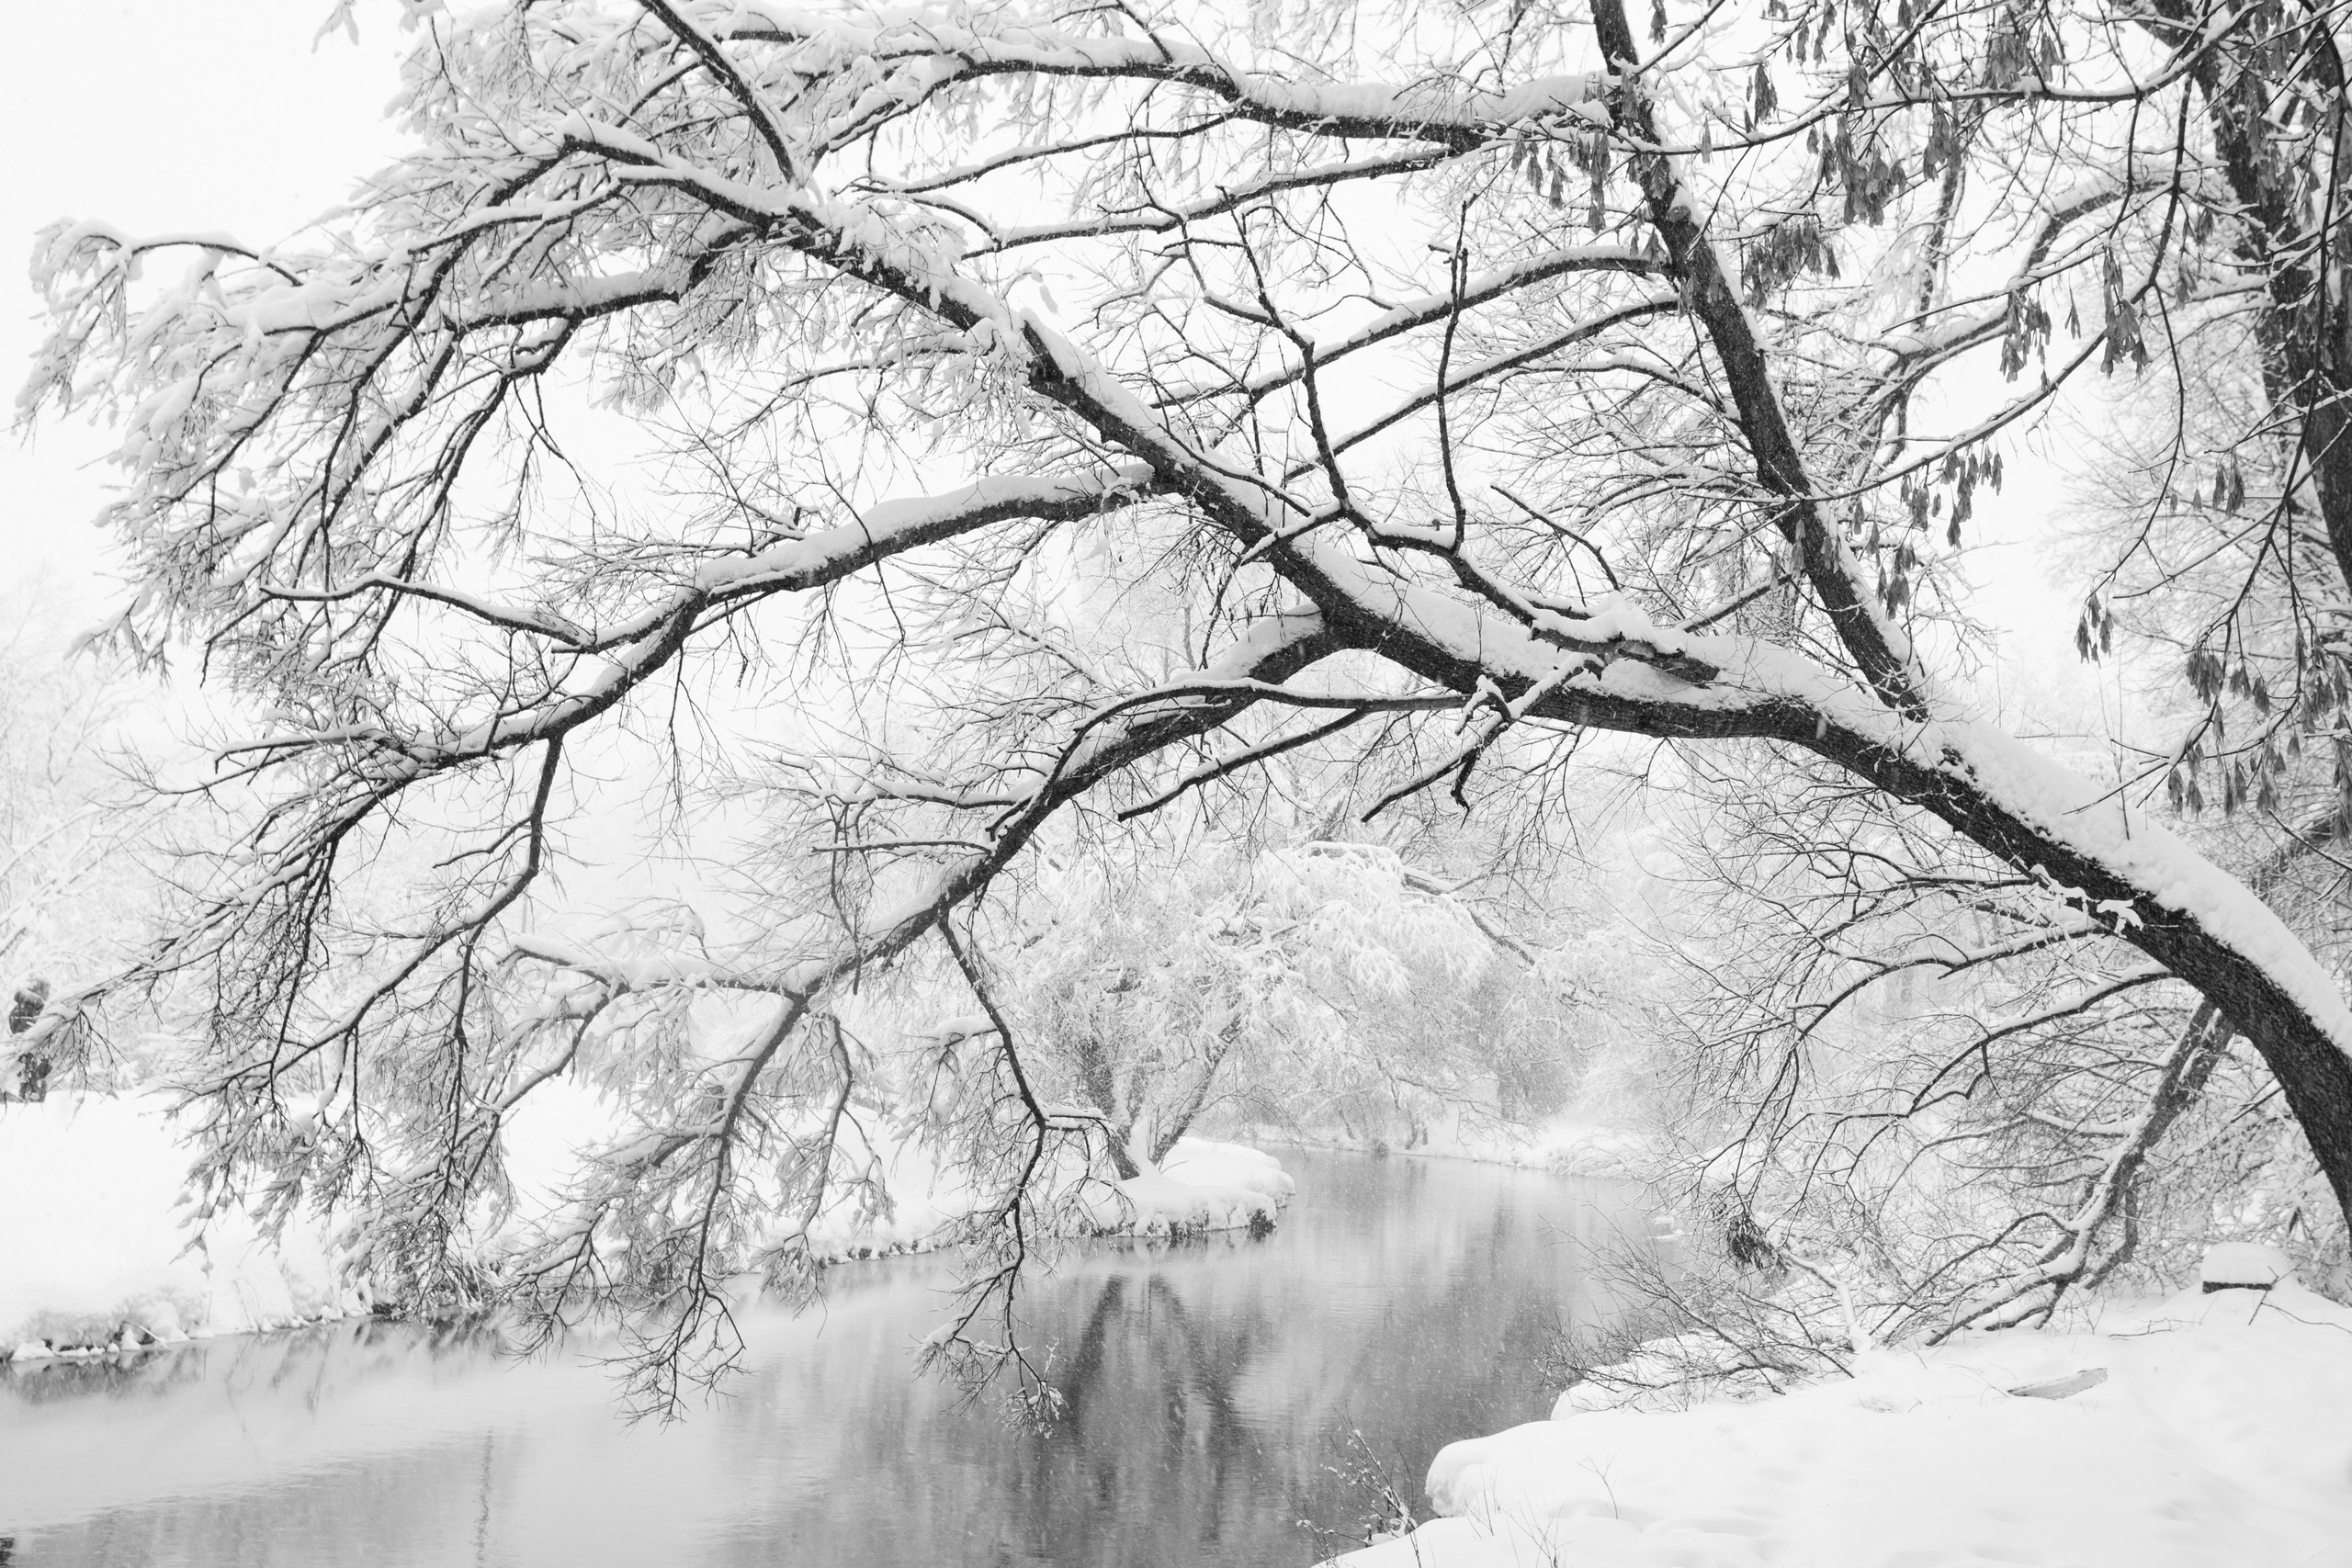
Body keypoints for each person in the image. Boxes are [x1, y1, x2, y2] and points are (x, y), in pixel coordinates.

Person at [9, 977, 51, 1102]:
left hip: (30, 1059)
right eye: (46, 991)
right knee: (33, 1094)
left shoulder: (29, 1007)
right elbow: (28, 1036)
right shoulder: (28, 1009)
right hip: (31, 1059)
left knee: (31, 1091)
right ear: (39, 990)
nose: (48, 994)